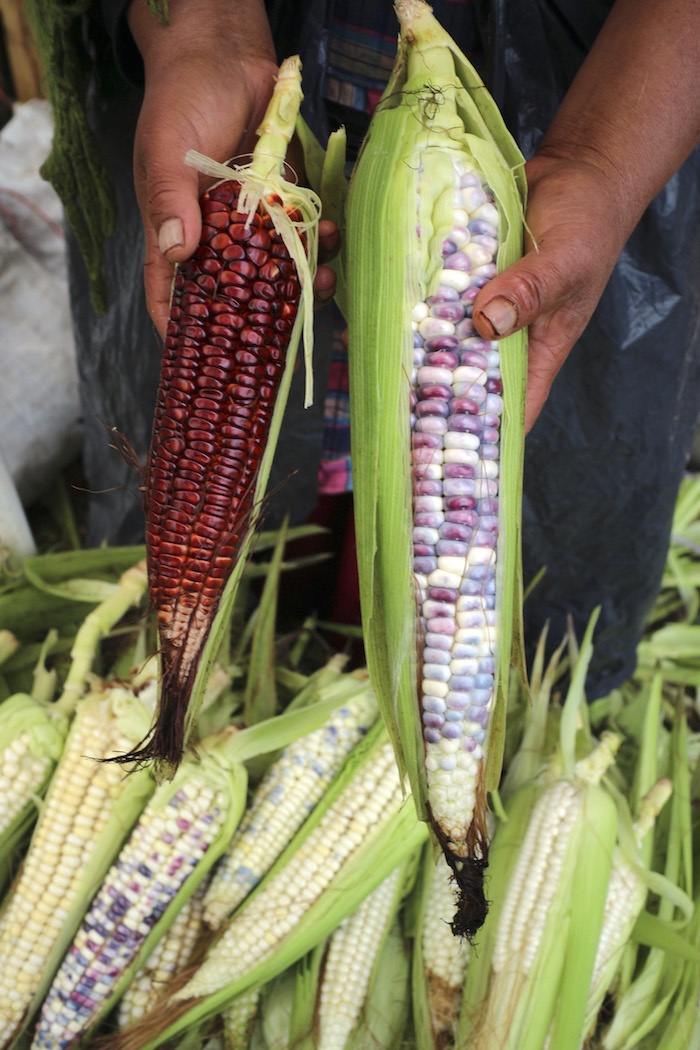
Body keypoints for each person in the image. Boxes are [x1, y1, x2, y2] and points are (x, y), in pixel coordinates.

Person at [26, 0, 700, 696]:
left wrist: (600, 163)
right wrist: (202, 29)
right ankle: (194, 667)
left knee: (502, 520)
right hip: (225, 89)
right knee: (262, 509)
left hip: (604, 94)